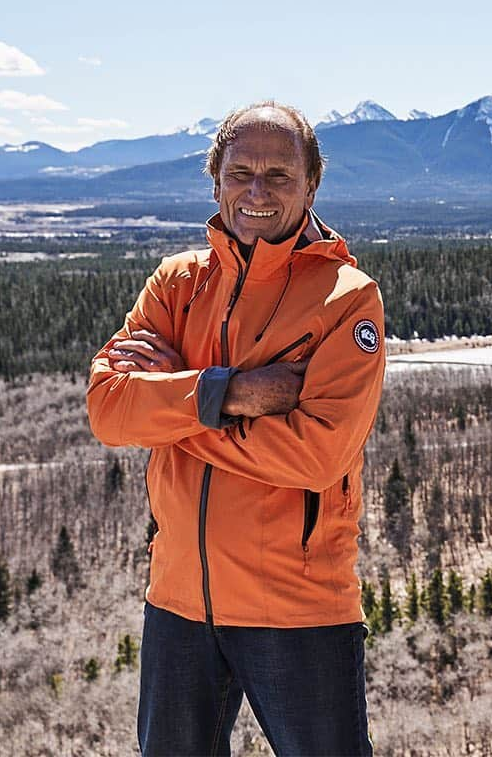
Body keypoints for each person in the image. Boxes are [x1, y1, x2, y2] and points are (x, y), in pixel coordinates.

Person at [87, 101, 384, 757]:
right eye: (240, 171)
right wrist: (234, 394)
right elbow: (108, 408)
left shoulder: (347, 297)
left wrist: (175, 408)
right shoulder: (176, 283)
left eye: (279, 175)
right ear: (215, 179)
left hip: (298, 605)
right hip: (177, 602)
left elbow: (316, 455)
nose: (257, 191)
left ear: (312, 186)